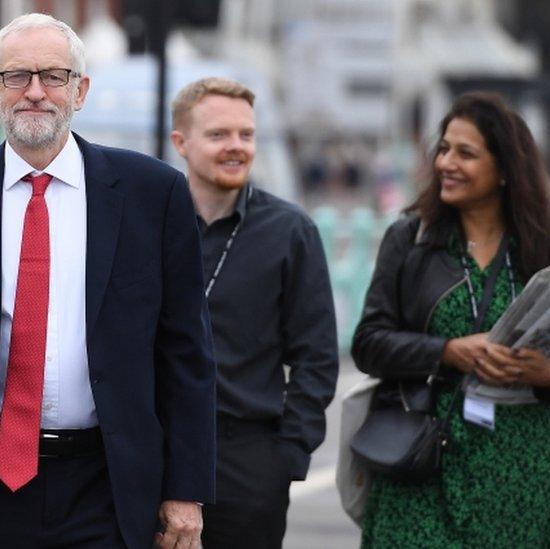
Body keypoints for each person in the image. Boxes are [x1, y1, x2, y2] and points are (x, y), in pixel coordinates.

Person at [0, 13, 215, 549]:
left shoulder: (153, 194)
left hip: (107, 482)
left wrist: (186, 491)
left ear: (80, 91)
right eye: (16, 77)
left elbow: (186, 356)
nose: (35, 92)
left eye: (54, 77)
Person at [352, 91, 550, 548]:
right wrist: (447, 352)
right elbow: (369, 343)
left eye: (465, 153)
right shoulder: (410, 241)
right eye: (443, 149)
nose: (446, 163)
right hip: (421, 457)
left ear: (503, 170)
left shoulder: (548, 252)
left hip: (517, 470)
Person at [169, 77, 338, 548]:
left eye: (246, 134)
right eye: (219, 134)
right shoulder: (150, 222)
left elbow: (317, 356)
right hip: (157, 448)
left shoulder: (290, 230)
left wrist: (285, 455)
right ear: (180, 142)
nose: (236, 147)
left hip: (249, 457)